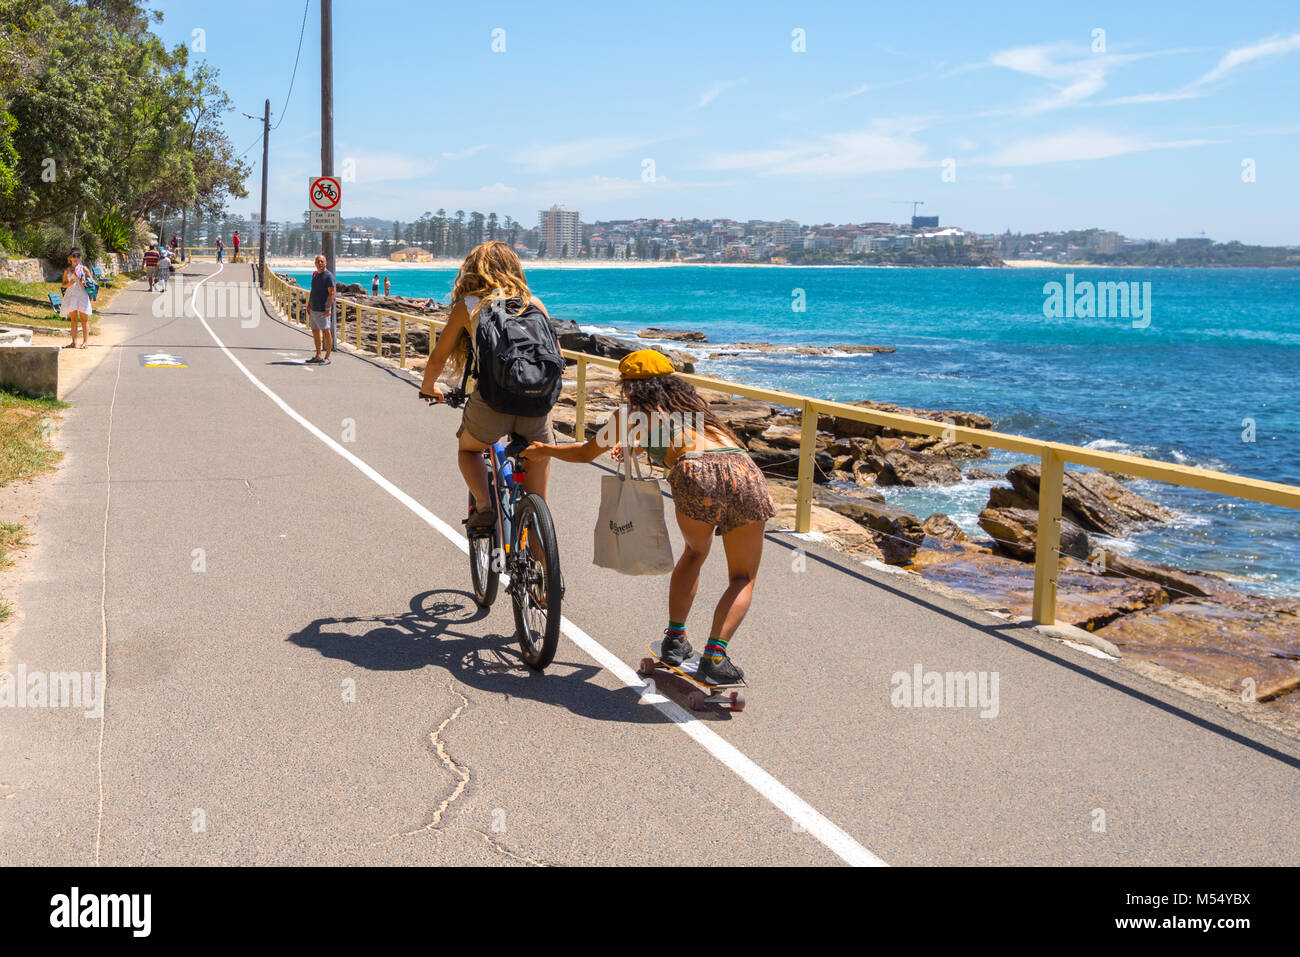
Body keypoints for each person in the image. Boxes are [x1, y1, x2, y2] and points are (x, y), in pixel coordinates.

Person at [523, 350, 775, 685]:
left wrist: (544, 450)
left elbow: (585, 453)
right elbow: (686, 436)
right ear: (672, 380)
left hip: (694, 471)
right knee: (742, 577)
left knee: (696, 553)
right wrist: (638, 448)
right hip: (744, 470)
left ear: (628, 385)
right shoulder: (696, 409)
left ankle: (675, 639)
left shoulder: (631, 414)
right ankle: (715, 656)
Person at [419, 241, 557, 530]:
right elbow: (555, 356)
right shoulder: (535, 304)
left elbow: (438, 358)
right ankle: (541, 549)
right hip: (536, 405)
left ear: (474, 271)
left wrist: (429, 387)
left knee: (468, 450)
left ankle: (484, 505)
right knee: (537, 501)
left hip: (492, 403)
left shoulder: (468, 306)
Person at [59, 248, 93, 349]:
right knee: (73, 320)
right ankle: (74, 342)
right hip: (71, 295)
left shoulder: (84, 269)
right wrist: (70, 283)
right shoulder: (67, 271)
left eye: (78, 256)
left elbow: (92, 282)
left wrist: (85, 282)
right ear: (70, 258)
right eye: (74, 256)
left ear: (80, 258)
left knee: (84, 320)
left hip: (82, 295)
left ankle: (85, 342)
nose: (76, 258)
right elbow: (63, 285)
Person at [306, 253, 335, 364]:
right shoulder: (315, 275)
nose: (320, 263)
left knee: (326, 331)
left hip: (323, 309)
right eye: (318, 261)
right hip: (314, 308)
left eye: (322, 261)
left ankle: (327, 357)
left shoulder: (328, 276)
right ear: (315, 263)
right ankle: (318, 355)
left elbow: (332, 293)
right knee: (315, 331)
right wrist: (309, 304)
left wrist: (328, 308)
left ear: (326, 263)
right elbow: (313, 291)